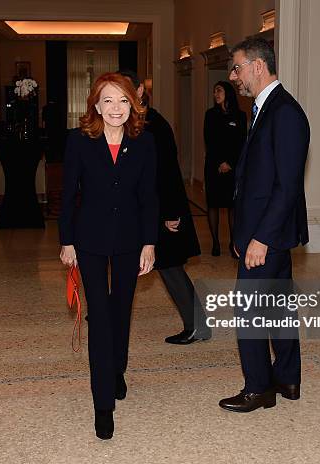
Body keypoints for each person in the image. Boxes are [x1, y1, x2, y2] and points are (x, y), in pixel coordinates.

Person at [58, 73, 158, 439]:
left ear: (132, 104)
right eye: (108, 101)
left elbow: (149, 196)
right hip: (90, 239)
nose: (116, 109)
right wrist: (66, 241)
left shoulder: (144, 142)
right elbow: (68, 194)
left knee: (121, 310)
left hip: (131, 239)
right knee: (99, 317)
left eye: (122, 101)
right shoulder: (79, 142)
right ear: (95, 106)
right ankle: (103, 405)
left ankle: (117, 369)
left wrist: (150, 242)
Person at [219, 37, 310, 413]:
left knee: (250, 309)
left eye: (237, 67)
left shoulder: (284, 111)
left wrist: (259, 239)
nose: (232, 76)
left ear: (258, 65)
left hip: (267, 235)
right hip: (263, 231)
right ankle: (287, 378)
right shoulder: (264, 108)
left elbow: (287, 187)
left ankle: (259, 388)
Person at [119, 70, 211, 345]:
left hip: (163, 210)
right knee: (133, 262)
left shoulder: (155, 124)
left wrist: (171, 214)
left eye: (124, 91)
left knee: (170, 267)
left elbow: (168, 171)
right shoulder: (131, 121)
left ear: (138, 91)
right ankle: (109, 312)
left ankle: (198, 326)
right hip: (144, 208)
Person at [203, 81, 247, 257]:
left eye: (219, 90)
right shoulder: (210, 115)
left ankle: (233, 243)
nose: (216, 94)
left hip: (233, 167)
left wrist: (229, 162)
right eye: (214, 91)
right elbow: (209, 140)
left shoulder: (240, 116)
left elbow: (241, 142)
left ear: (228, 92)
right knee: (213, 203)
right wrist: (220, 162)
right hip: (213, 166)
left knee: (232, 205)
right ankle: (215, 243)